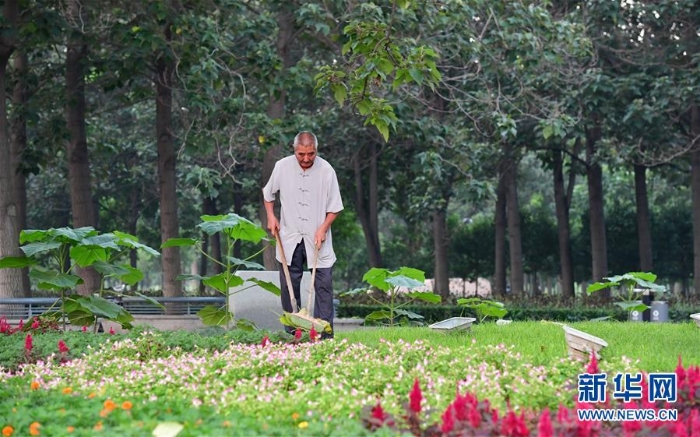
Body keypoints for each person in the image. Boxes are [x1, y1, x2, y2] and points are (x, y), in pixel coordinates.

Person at [262, 131, 343, 338]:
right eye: (301, 154)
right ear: (294, 150)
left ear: (316, 150)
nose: (306, 159)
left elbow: (335, 206)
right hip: (289, 236)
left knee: (323, 285)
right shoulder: (281, 166)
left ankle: (324, 336)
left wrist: (324, 227)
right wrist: (271, 217)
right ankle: (293, 334)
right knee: (289, 285)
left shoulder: (326, 170)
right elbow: (268, 194)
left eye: (311, 154)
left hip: (318, 238)